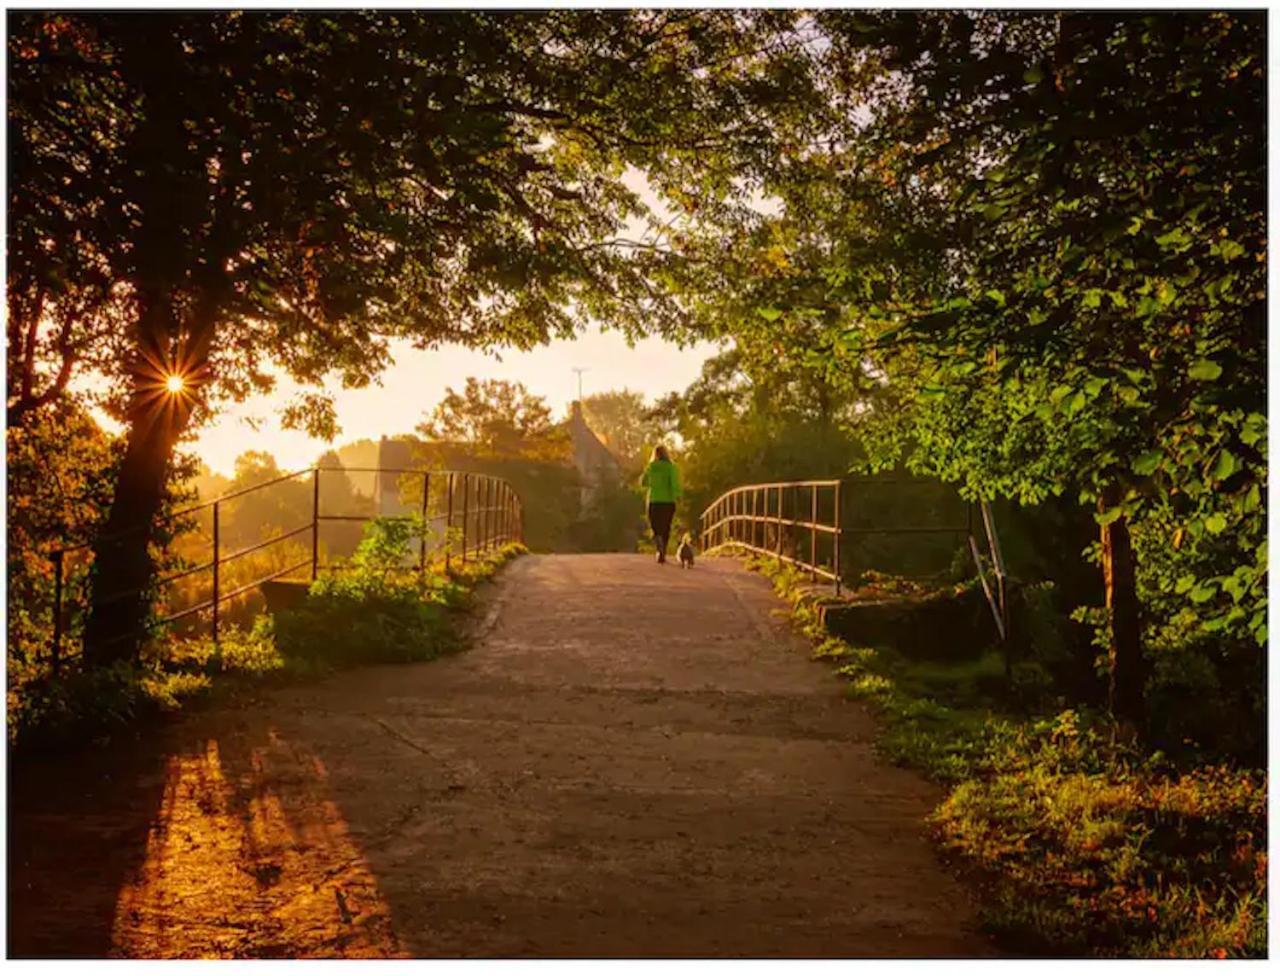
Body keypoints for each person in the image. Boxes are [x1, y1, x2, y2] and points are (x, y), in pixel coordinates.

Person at [640, 444, 681, 564]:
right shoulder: (671, 467)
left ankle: (659, 546)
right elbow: (674, 484)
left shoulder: (651, 467)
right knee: (666, 527)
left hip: (654, 500)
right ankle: (663, 550)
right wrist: (677, 496)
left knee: (655, 526)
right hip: (668, 501)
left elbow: (643, 482)